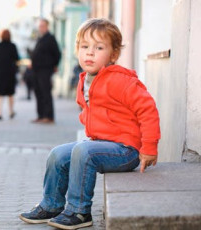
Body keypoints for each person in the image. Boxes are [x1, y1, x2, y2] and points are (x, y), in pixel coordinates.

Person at [19, 18, 161, 229]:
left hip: (126, 150)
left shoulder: (120, 80)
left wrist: (149, 147)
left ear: (113, 54)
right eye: (84, 47)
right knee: (58, 154)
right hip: (102, 144)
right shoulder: (85, 79)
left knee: (84, 151)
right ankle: (52, 204)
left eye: (99, 47)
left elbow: (148, 109)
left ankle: (79, 211)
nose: (90, 52)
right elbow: (89, 110)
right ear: (78, 50)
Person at [30, 19, 61, 124]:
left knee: (45, 92)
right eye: (40, 26)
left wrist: (54, 65)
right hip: (36, 70)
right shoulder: (40, 38)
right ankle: (41, 115)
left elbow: (57, 54)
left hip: (45, 70)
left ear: (47, 26)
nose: (41, 28)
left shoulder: (50, 38)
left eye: (43, 26)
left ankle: (49, 116)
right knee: (38, 92)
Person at [0, 29, 20, 120]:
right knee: (10, 93)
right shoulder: (13, 46)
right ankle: (11, 111)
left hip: (0, 72)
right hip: (10, 72)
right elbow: (16, 58)